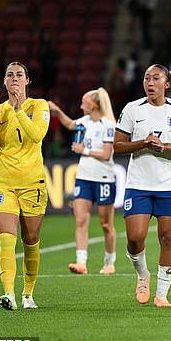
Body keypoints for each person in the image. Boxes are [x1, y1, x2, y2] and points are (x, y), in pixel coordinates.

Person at [114, 64, 171, 307]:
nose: (150, 82)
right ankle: (142, 274)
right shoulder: (132, 109)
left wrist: (164, 147)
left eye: (155, 78)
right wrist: (143, 143)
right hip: (138, 183)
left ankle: (161, 295)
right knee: (135, 238)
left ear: (167, 84)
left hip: (168, 184)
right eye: (146, 78)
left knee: (168, 237)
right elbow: (118, 145)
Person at [0, 62, 50, 310]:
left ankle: (28, 294)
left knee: (30, 239)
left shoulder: (39, 106)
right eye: (10, 74)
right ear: (5, 80)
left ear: (27, 81)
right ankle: (8, 293)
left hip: (32, 183)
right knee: (6, 239)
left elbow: (37, 135)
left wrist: (19, 110)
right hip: (3, 183)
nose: (15, 78)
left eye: (20, 75)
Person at [48, 88, 118, 275]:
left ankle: (109, 262)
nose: (80, 106)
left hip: (103, 179)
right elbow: (70, 124)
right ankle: (81, 262)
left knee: (106, 224)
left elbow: (106, 154)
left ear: (93, 105)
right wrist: (57, 111)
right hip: (84, 178)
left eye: (84, 103)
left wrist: (83, 151)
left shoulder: (108, 125)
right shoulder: (85, 121)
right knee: (80, 219)